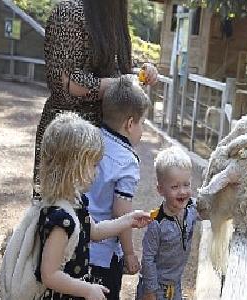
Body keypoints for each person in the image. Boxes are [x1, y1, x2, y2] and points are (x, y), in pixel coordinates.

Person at [2, 112, 152, 300]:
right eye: (93, 165)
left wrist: (126, 220)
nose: (97, 171)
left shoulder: (76, 201)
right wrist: (87, 289)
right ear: (73, 165)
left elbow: (93, 231)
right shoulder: (61, 219)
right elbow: (50, 275)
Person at [32, 0, 159, 197]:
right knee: (59, 216)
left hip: (104, 139)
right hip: (68, 137)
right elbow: (66, 81)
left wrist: (141, 72)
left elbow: (115, 70)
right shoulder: (69, 12)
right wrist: (122, 82)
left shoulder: (113, 17)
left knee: (97, 220)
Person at [84, 75, 151, 300]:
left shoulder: (89, 138)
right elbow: (121, 210)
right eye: (142, 123)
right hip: (103, 251)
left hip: (76, 241)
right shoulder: (127, 160)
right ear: (129, 123)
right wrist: (130, 253)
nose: (142, 130)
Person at [115, 146, 199, 300]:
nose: (182, 191)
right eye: (175, 187)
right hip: (155, 286)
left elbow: (212, 208)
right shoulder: (156, 223)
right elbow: (148, 258)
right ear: (160, 189)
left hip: (175, 283)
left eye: (186, 184)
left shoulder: (191, 209)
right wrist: (150, 290)